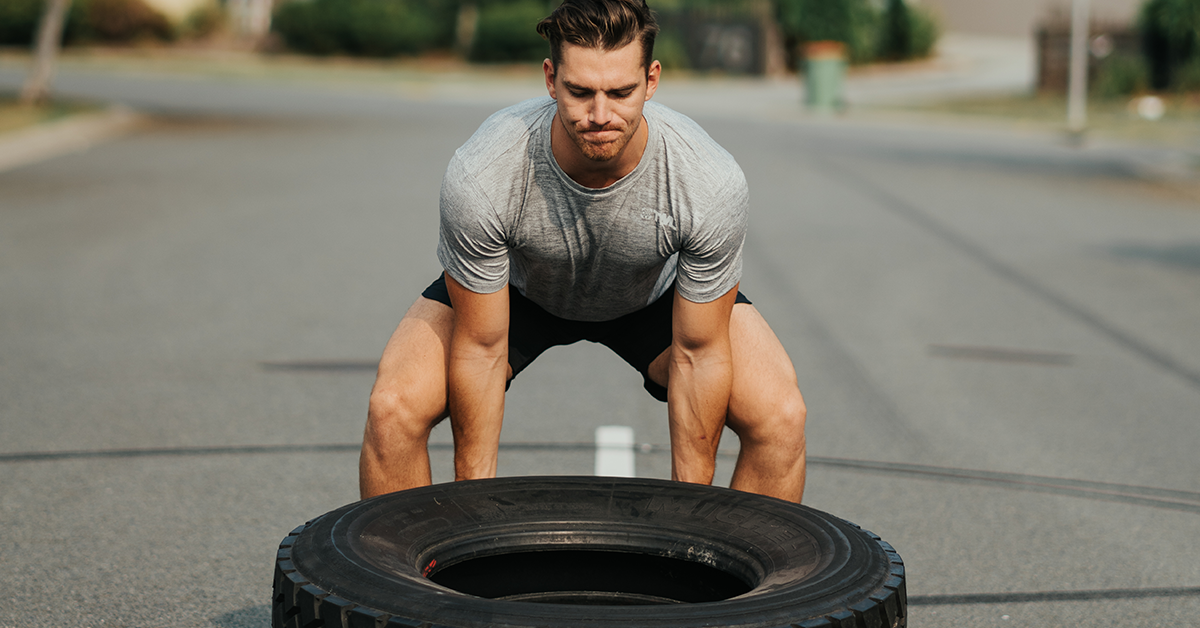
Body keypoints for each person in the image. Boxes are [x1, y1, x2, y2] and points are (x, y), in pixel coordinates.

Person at [359, 0, 806, 502]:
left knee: (780, 416)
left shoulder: (707, 182)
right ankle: (410, 582)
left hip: (652, 297)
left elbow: (698, 354)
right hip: (515, 292)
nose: (599, 115)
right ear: (550, 79)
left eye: (620, 92)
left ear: (651, 80)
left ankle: (735, 581)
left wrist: (692, 520)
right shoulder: (485, 173)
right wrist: (472, 515)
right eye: (579, 92)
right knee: (392, 409)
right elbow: (482, 349)